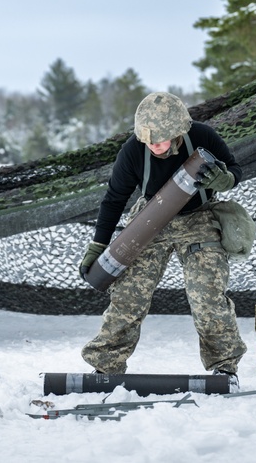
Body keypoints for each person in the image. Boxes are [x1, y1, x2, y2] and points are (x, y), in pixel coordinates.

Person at [79, 92, 247, 383]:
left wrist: (225, 179)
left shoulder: (202, 136)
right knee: (128, 295)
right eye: (148, 141)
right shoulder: (133, 151)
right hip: (150, 220)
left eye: (160, 140)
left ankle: (225, 367)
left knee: (207, 296)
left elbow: (234, 169)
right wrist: (98, 245)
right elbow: (114, 200)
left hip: (199, 218)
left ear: (178, 132)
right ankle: (105, 365)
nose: (154, 147)